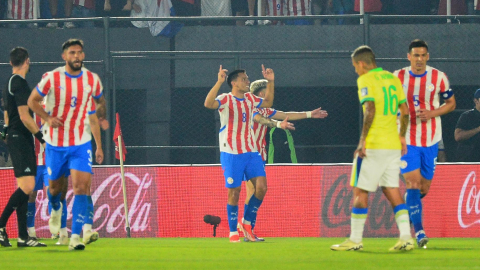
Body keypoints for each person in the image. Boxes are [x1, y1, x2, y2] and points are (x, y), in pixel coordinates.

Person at [331, 45, 413, 251]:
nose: (356, 71)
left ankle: (355, 240)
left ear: (361, 64)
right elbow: (405, 111)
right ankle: (406, 237)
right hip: (393, 145)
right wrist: (402, 137)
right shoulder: (393, 79)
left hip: (374, 145)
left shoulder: (365, 80)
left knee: (360, 191)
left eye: (355, 67)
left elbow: (370, 109)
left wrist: (362, 141)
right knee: (392, 190)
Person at [28, 39, 107, 251]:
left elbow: (99, 104)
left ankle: (76, 237)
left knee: (82, 187)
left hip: (81, 143)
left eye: (80, 52)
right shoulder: (52, 79)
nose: (77, 56)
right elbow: (31, 101)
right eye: (72, 53)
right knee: (54, 191)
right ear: (64, 56)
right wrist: (46, 117)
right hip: (55, 144)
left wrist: (99, 140)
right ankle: (55, 209)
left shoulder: (91, 80)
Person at [239, 78, 328, 241]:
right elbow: (260, 119)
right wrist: (278, 125)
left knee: (253, 191)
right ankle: (247, 227)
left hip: (258, 155)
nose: (271, 95)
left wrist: (309, 114)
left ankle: (246, 226)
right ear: (261, 94)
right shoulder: (251, 107)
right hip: (248, 154)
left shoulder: (264, 109)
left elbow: (286, 115)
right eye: (268, 91)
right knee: (257, 190)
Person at [393, 39, 456, 248]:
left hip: (430, 139)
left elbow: (451, 103)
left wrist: (432, 113)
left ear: (427, 57)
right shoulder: (397, 77)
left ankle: (408, 214)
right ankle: (419, 232)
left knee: (424, 187)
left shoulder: (438, 77)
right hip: (406, 139)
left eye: (423, 55)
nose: (419, 59)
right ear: (408, 56)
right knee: (412, 183)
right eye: (415, 55)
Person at [204, 65, 274, 243]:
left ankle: (247, 223)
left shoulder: (250, 98)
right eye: (244, 79)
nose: (247, 81)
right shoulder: (225, 99)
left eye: (247, 78)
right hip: (231, 153)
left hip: (251, 151)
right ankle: (233, 231)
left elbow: (268, 103)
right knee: (234, 192)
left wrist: (271, 81)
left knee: (262, 187)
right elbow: (208, 104)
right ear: (234, 83)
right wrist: (219, 82)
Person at [0, 47, 46, 248]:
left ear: (11, 63)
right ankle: (1, 226)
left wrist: (6, 129)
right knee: (28, 187)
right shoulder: (20, 83)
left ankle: (22, 236)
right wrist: (41, 138)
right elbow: (25, 116)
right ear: (27, 61)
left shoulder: (10, 83)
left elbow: (8, 113)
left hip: (16, 137)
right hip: (21, 139)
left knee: (24, 186)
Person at [454, 89, 480, 162]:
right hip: (470, 158)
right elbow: (458, 136)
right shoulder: (467, 116)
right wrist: (478, 129)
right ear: (476, 101)